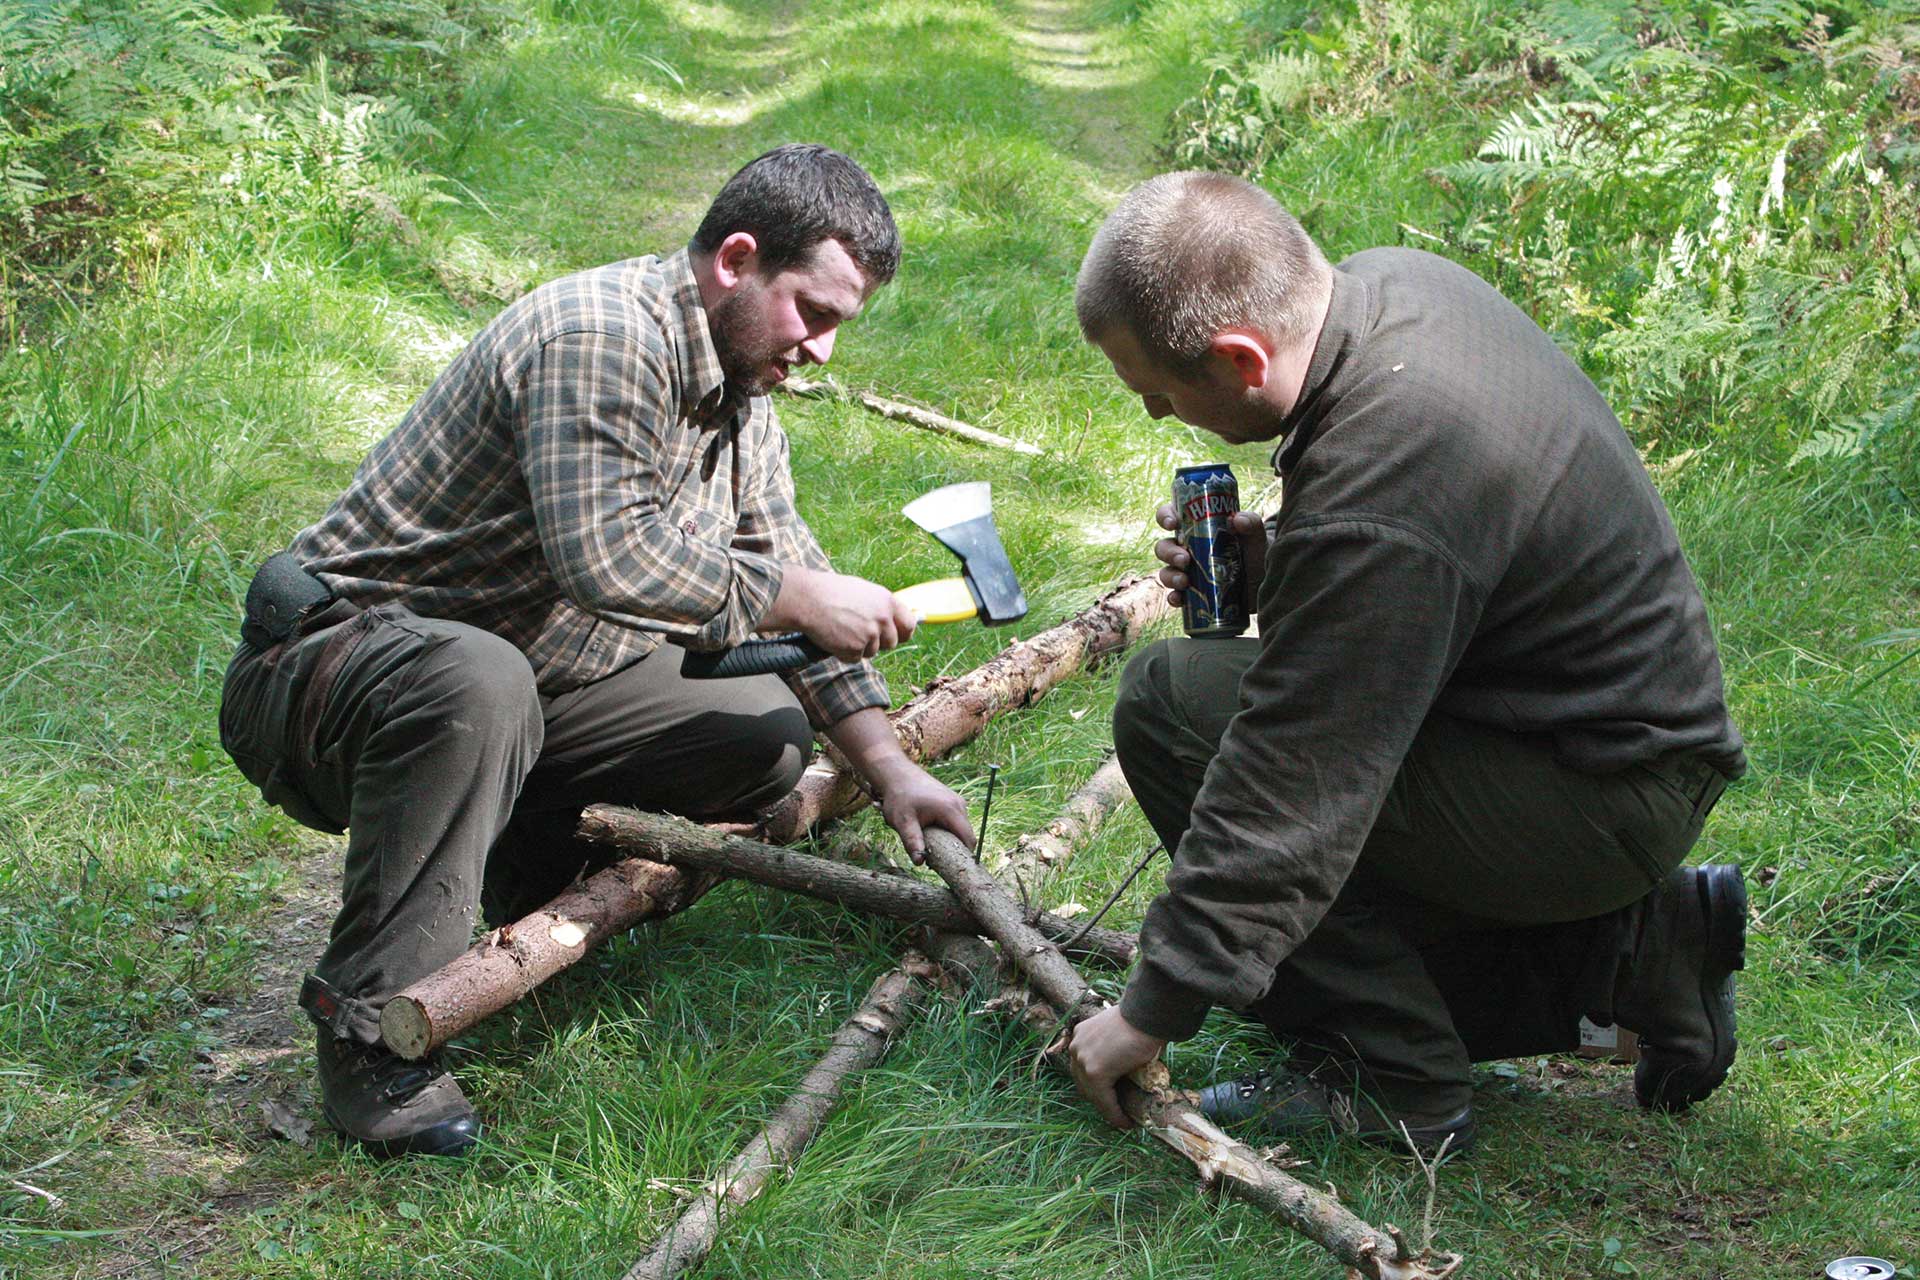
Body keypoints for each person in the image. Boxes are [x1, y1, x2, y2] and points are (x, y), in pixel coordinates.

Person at [219, 144, 974, 1158]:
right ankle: (368, 1032)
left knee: (759, 730)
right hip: (329, 673)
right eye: (814, 311)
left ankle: (525, 886)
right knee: (475, 680)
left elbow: (792, 586)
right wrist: (794, 594)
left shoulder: (742, 403)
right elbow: (608, 555)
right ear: (736, 260)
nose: (825, 350)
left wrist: (888, 767)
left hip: (520, 683)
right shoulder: (599, 335)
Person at [1062, 172, 1747, 1155]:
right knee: (1284, 908)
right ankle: (1634, 956)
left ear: (1243, 357)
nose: (1158, 416)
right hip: (1588, 741)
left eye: (1160, 393)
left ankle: (1392, 1075)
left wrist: (1153, 1007)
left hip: (1600, 792)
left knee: (1174, 706)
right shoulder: (1393, 287)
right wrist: (1285, 565)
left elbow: (1293, 785)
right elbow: (1425, 570)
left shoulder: (1390, 472)